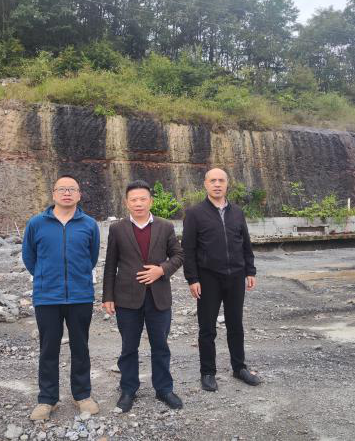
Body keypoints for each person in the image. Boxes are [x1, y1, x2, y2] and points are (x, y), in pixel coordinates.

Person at [22, 175, 101, 421]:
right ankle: (47, 399)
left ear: (79, 195)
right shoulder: (36, 223)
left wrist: (77, 277)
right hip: (47, 297)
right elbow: (29, 258)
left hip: (80, 296)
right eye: (62, 189)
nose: (67, 193)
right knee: (48, 349)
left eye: (72, 189)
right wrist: (46, 276)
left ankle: (82, 395)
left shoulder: (89, 224)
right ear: (54, 194)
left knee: (81, 347)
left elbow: (92, 258)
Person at [102, 180, 184, 412]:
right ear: (127, 203)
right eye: (134, 200)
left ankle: (164, 389)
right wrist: (107, 296)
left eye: (143, 199)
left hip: (159, 297)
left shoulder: (165, 226)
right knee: (129, 347)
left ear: (151, 201)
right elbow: (110, 264)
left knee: (161, 346)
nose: (138, 203)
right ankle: (128, 389)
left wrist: (162, 270)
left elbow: (179, 255)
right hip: (126, 298)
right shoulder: (117, 229)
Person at [181, 168, 261, 392]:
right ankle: (208, 372)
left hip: (236, 276)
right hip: (208, 278)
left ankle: (239, 367)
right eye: (213, 180)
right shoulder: (194, 213)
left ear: (227, 184)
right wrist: (192, 278)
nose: (217, 184)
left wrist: (250, 270)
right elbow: (188, 249)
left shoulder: (237, 212)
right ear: (205, 184)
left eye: (221, 180)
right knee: (207, 328)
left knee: (236, 324)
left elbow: (245, 243)